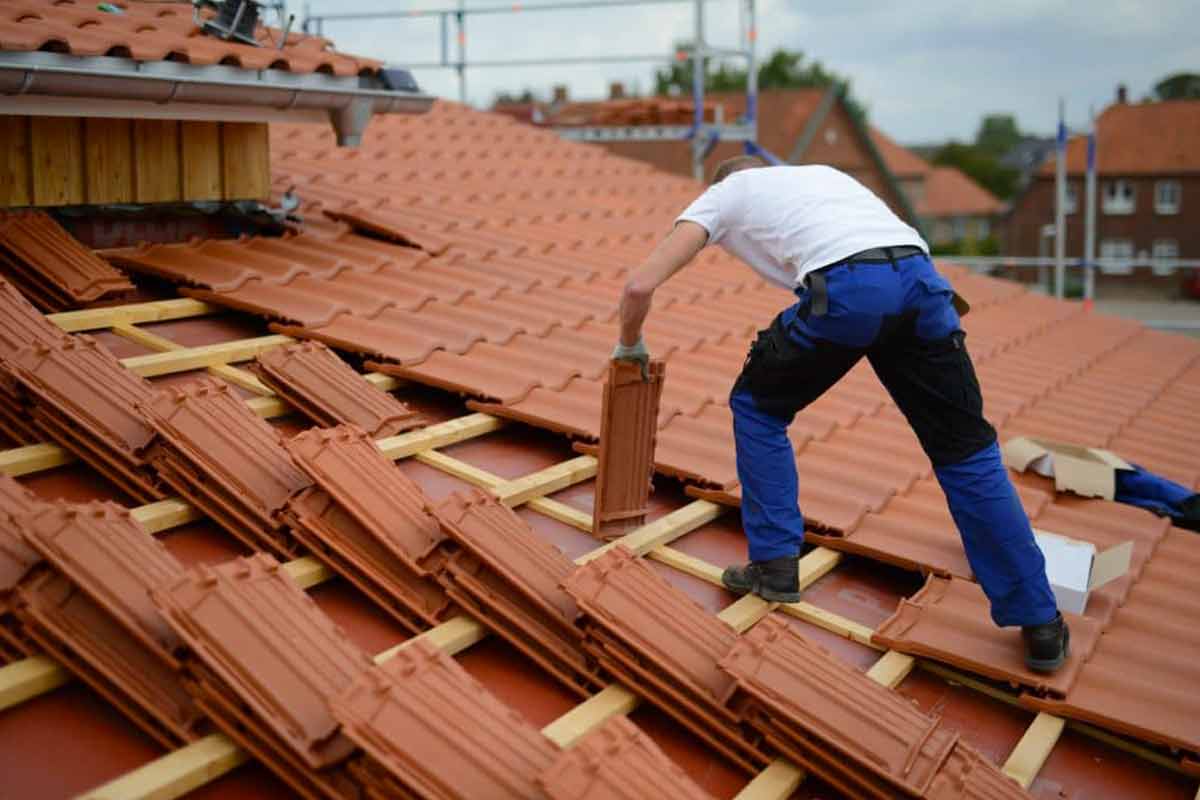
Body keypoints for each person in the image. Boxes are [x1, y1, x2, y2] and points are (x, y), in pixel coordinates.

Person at [612, 156, 1070, 673]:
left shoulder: (726, 193)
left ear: (725, 179)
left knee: (757, 407)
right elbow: (882, 250)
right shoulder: (824, 178)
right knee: (967, 452)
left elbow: (639, 286)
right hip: (924, 284)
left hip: (852, 291)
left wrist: (629, 346)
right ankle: (1042, 623)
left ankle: (774, 565)